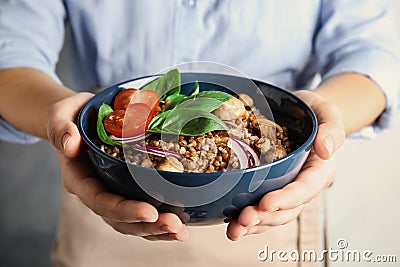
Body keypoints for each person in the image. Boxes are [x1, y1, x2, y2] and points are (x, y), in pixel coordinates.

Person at [0, 0, 399, 266]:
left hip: (271, 207)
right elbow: (10, 50)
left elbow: (372, 51)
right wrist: (65, 119)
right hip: (104, 190)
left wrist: (326, 117)